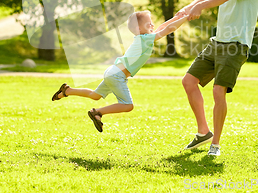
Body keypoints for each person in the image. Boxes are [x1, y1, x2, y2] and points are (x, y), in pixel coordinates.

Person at [176, 0, 258, 156]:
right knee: (188, 81)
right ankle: (203, 132)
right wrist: (189, 7)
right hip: (217, 42)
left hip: (236, 45)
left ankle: (215, 144)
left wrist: (200, 8)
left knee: (218, 91)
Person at [52, 11, 188, 132]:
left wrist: (176, 17)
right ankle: (97, 112)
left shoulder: (144, 38)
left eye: (152, 23)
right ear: (138, 28)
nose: (152, 26)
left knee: (95, 95)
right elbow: (167, 30)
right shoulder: (145, 38)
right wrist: (185, 18)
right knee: (128, 105)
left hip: (112, 72)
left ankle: (67, 91)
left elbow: (163, 27)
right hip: (117, 75)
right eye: (149, 24)